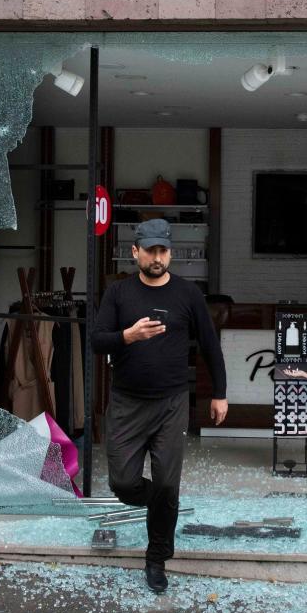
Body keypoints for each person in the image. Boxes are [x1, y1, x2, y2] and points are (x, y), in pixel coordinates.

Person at [90, 218, 228, 593]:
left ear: (170, 253)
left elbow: (210, 346)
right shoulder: (118, 294)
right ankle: (162, 502)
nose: (156, 257)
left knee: (168, 482)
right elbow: (97, 340)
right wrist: (127, 335)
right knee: (122, 481)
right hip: (127, 404)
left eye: (162, 250)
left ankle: (156, 559)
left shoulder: (188, 295)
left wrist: (220, 392)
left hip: (171, 404)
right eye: (149, 250)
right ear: (135, 252)